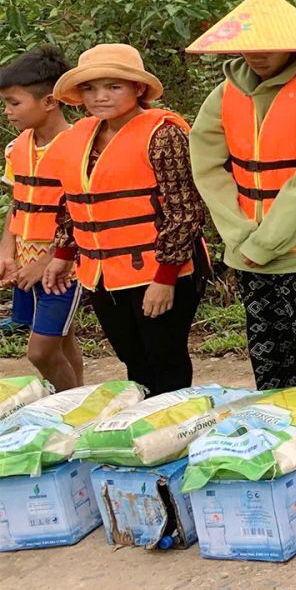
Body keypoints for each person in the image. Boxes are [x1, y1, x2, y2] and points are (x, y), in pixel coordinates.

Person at [187, 0, 296, 389]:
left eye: (269, 43)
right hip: (248, 250)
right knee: (268, 368)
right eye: (249, 43)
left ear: (294, 44)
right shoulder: (226, 92)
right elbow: (207, 167)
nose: (257, 52)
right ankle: (275, 446)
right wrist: (240, 235)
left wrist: (264, 243)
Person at [40, 44, 206, 395]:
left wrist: (165, 277)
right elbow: (74, 200)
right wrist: (63, 254)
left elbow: (185, 210)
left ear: (138, 89)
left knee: (166, 360)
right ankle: (147, 435)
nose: (100, 97)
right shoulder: (79, 137)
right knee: (134, 361)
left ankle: (175, 431)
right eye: (90, 88)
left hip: (161, 270)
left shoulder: (163, 134)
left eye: (113, 86)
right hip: (102, 272)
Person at [0, 46, 83, 389]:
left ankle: (68, 404)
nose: (7, 112)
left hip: (63, 266)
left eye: (14, 103)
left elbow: (84, 213)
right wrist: (7, 253)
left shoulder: (79, 146)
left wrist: (51, 259)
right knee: (63, 339)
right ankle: (80, 402)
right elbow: (18, 204)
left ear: (50, 101)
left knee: (40, 350)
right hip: (26, 261)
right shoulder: (17, 148)